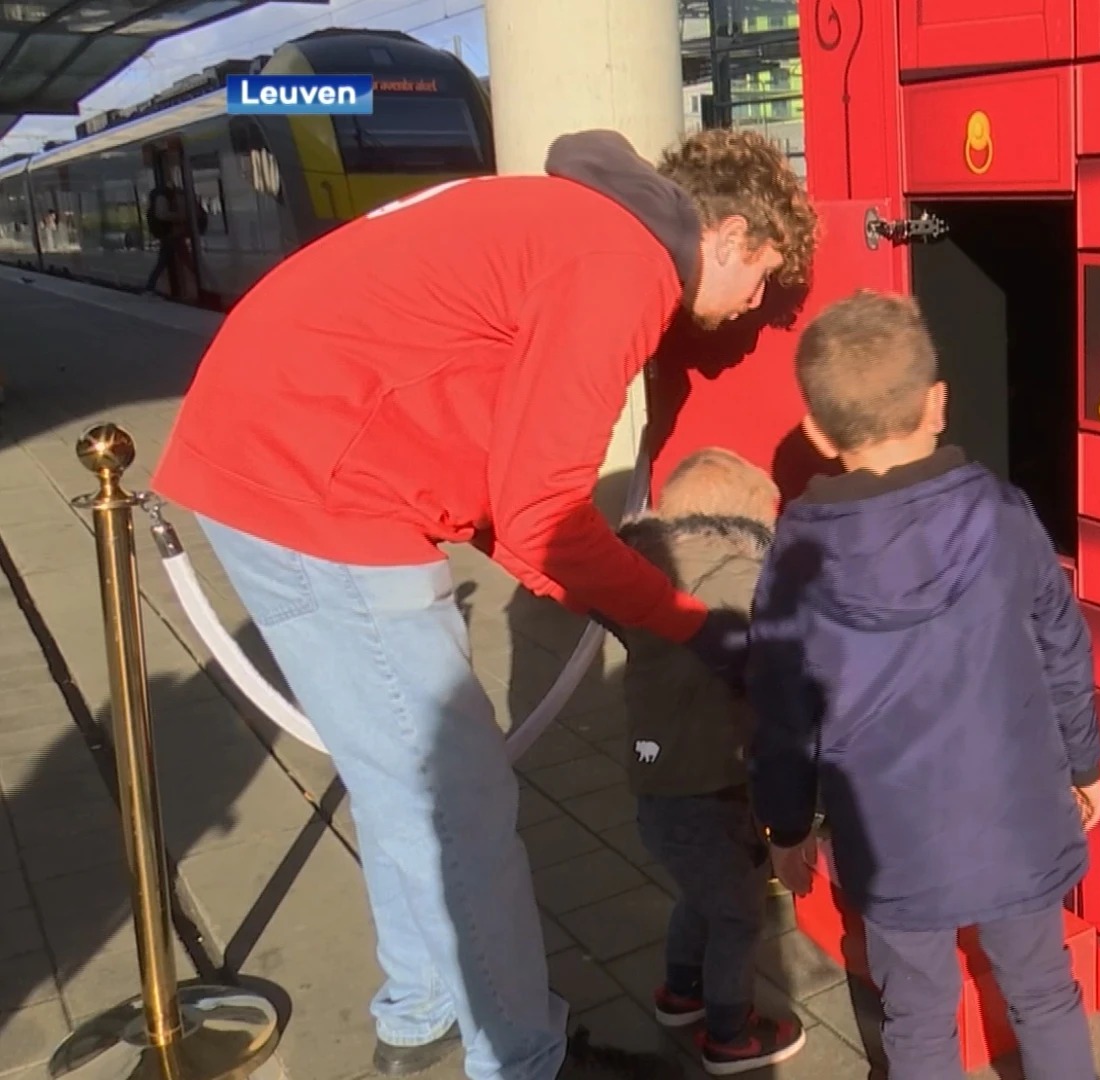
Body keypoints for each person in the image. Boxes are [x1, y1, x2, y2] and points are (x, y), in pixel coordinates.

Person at [151, 127, 817, 1080]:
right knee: (459, 799)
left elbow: (492, 472)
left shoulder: (571, 223)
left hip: (287, 454)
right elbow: (545, 503)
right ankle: (525, 1059)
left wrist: (569, 582)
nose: (757, 305)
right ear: (731, 234)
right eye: (764, 276)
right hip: (320, 485)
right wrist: (686, 622)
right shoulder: (621, 266)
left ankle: (419, 1010)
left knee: (402, 783)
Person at [746, 290, 1100, 1080]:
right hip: (1019, 816)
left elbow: (779, 709)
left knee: (916, 1012)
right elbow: (1063, 649)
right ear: (937, 403)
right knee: (1044, 992)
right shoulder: (1004, 514)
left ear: (817, 433)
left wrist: (786, 824)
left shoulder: (797, 555)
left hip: (891, 840)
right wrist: (1084, 764)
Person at [614, 447, 804, 1076]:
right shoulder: (742, 581)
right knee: (738, 914)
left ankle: (680, 992)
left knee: (699, 893)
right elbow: (781, 670)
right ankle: (729, 1031)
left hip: (658, 783)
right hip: (714, 783)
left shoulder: (638, 573)